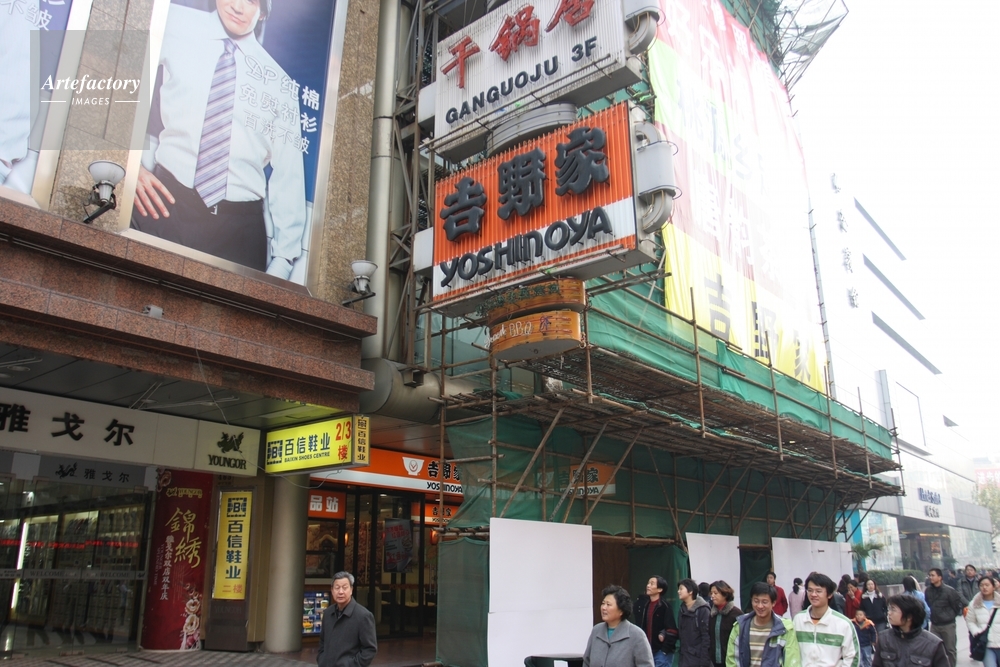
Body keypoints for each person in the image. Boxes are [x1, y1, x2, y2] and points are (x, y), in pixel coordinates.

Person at [131, 0, 307, 278]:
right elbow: (121, 73)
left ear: (263, 12)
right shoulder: (175, 25)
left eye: (251, 1)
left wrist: (283, 260)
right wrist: (129, 165)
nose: (238, 6)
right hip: (165, 204)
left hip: (238, 232)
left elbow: (289, 175)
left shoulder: (279, 84)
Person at [726, 582, 800, 667]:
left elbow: (791, 660)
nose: (760, 606)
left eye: (764, 602)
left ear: (773, 603)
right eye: (756, 601)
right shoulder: (740, 626)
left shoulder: (785, 628)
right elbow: (732, 660)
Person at [794, 572, 858, 667]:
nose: (813, 594)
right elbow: (791, 652)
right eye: (810, 590)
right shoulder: (798, 619)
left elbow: (852, 657)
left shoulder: (843, 623)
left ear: (829, 594)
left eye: (818, 591)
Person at [584, 585, 655, 667]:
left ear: (621, 610)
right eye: (603, 603)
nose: (604, 607)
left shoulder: (637, 635)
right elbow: (586, 662)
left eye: (608, 604)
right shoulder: (596, 630)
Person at [317, 571, 377, 667]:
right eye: (337, 588)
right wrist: (322, 660)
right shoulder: (328, 613)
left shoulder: (363, 616)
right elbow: (322, 642)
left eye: (345, 588)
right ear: (332, 590)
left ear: (351, 590)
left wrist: (351, 664)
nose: (340, 592)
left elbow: (369, 649)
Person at [872, 594, 949, 667]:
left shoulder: (933, 644)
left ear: (909, 617)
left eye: (893, 609)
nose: (889, 613)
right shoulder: (884, 638)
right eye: (889, 609)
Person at [925, 567, 967, 667]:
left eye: (933, 575)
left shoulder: (949, 591)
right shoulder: (928, 591)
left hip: (948, 624)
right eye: (929, 575)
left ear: (940, 577)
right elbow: (928, 603)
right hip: (935, 624)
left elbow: (957, 606)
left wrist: (949, 615)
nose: (930, 577)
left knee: (950, 650)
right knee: (933, 649)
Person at [633, 576, 679, 667]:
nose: (648, 586)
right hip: (648, 651)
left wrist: (664, 650)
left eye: (652, 584)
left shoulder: (664, 606)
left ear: (660, 589)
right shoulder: (646, 605)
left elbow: (672, 630)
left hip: (661, 652)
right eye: (648, 583)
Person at [966, 576, 1000, 667]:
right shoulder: (974, 603)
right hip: (986, 644)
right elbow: (970, 621)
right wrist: (976, 632)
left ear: (993, 587)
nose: (984, 587)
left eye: (987, 585)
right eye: (981, 585)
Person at [678, 578, 711, 667]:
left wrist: (704, 663)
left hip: (698, 659)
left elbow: (706, 637)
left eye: (681, 589)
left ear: (690, 591)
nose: (678, 591)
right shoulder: (682, 609)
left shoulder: (703, 609)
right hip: (684, 658)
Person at [708, 581, 741, 667]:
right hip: (714, 662)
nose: (712, 596)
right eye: (711, 593)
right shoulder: (711, 614)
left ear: (725, 594)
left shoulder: (736, 614)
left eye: (716, 593)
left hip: (732, 662)